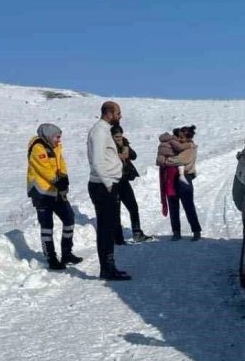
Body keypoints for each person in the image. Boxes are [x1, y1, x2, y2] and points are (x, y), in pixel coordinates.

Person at [27, 123, 83, 270]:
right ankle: (51, 258)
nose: (59, 140)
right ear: (49, 136)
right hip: (41, 193)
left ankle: (66, 253)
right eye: (57, 137)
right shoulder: (38, 147)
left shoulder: (56, 146)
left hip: (56, 191)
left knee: (69, 218)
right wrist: (57, 181)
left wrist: (64, 177)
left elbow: (61, 163)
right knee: (47, 226)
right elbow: (44, 168)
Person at [87, 101, 131, 280]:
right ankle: (106, 269)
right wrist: (107, 183)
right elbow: (97, 161)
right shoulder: (99, 131)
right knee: (105, 229)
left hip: (109, 183)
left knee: (110, 227)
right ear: (109, 113)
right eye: (118, 113)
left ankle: (110, 266)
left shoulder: (105, 130)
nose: (120, 116)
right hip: (102, 185)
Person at [111, 123, 152, 244]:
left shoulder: (124, 143)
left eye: (120, 136)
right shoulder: (109, 147)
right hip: (114, 180)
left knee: (133, 206)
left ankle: (137, 233)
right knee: (116, 210)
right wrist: (117, 156)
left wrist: (127, 151)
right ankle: (118, 238)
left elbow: (134, 156)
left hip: (124, 180)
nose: (119, 139)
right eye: (116, 137)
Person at [159, 126, 202, 241]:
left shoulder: (190, 148)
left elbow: (180, 160)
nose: (179, 139)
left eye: (181, 137)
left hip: (185, 177)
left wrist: (165, 161)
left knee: (188, 206)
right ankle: (176, 232)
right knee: (173, 205)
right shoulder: (180, 147)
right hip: (173, 177)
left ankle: (196, 231)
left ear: (188, 138)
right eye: (178, 136)